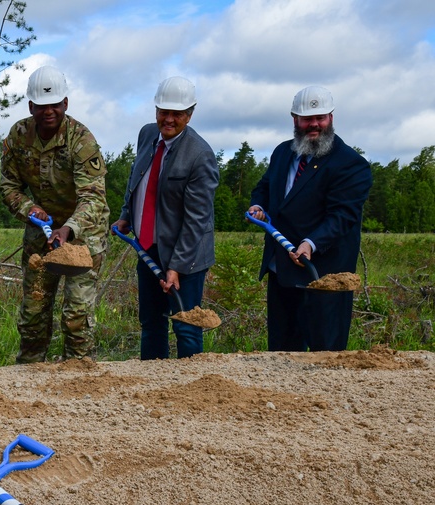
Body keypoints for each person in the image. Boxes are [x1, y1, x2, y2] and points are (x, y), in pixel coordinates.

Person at [248, 86, 372, 352]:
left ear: (331, 117)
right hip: (282, 269)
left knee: (324, 355)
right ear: (295, 119)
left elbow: (342, 216)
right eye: (307, 119)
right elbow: (265, 187)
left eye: (321, 118)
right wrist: (257, 205)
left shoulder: (351, 164)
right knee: (281, 352)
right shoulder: (282, 152)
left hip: (324, 275)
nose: (314, 124)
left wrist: (311, 243)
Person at [0, 65, 110, 363]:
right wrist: (28, 208)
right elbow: (9, 184)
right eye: (42, 106)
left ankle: (77, 374)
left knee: (76, 314)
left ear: (65, 104)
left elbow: (94, 197)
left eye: (55, 105)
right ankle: (29, 373)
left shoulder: (81, 140)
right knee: (34, 311)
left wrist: (69, 229)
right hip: (41, 227)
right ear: (31, 106)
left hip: (83, 233)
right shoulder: (19, 135)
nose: (49, 111)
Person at [114, 76, 219, 360]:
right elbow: (137, 180)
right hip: (148, 246)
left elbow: (197, 219)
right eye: (164, 112)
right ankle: (154, 383)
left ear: (190, 114)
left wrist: (177, 267)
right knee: (151, 322)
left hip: (187, 256)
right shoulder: (147, 134)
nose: (169, 119)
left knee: (185, 324)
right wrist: (126, 215)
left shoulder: (200, 155)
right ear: (156, 109)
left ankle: (192, 389)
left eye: (177, 114)